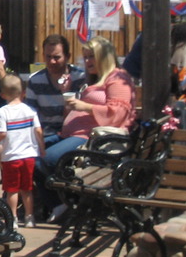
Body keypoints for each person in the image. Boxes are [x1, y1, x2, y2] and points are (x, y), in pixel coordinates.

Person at [39, 35, 137, 181]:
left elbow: (118, 113)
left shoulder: (117, 78)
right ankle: (53, 194)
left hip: (91, 138)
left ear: (104, 57)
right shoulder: (96, 79)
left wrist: (85, 106)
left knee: (46, 160)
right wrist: (66, 93)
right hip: (72, 134)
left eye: (91, 56)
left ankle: (57, 195)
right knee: (31, 153)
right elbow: (73, 114)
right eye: (85, 57)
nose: (87, 61)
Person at [0, 74, 45, 229]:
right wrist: (42, 148)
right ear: (23, 92)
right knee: (27, 189)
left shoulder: (3, 112)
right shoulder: (30, 111)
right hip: (29, 156)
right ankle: (29, 217)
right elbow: (38, 131)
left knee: (12, 190)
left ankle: (13, 218)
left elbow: (1, 134)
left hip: (11, 156)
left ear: (2, 95)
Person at [24, 33, 87, 147]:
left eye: (56, 57)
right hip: (45, 135)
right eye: (48, 57)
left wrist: (66, 93)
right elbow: (31, 115)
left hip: (73, 134)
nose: (52, 61)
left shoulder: (80, 78)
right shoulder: (35, 81)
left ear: (67, 56)